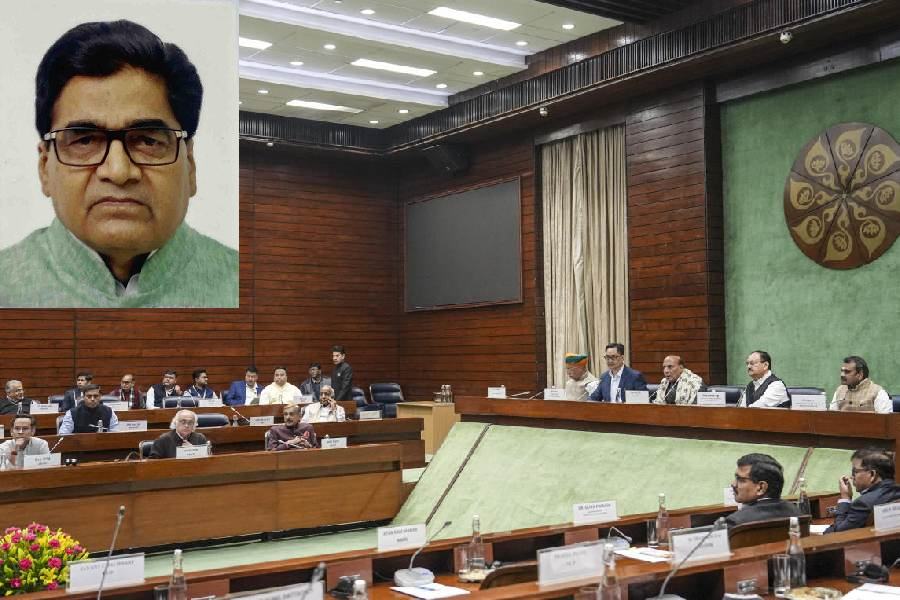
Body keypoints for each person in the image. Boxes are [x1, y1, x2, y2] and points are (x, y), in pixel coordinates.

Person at [0, 19, 237, 308]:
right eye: (84, 141)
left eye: (148, 141)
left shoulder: (241, 284)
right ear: (44, 168)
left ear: (190, 165)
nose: (118, 171)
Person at [825, 447, 900, 533]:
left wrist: (845, 498)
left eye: (855, 471)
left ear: (872, 474)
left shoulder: (863, 504)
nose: (852, 476)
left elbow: (837, 533)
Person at [725, 453, 801, 527]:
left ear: (761, 488)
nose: (733, 484)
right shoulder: (797, 512)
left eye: (740, 479)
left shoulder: (735, 522)